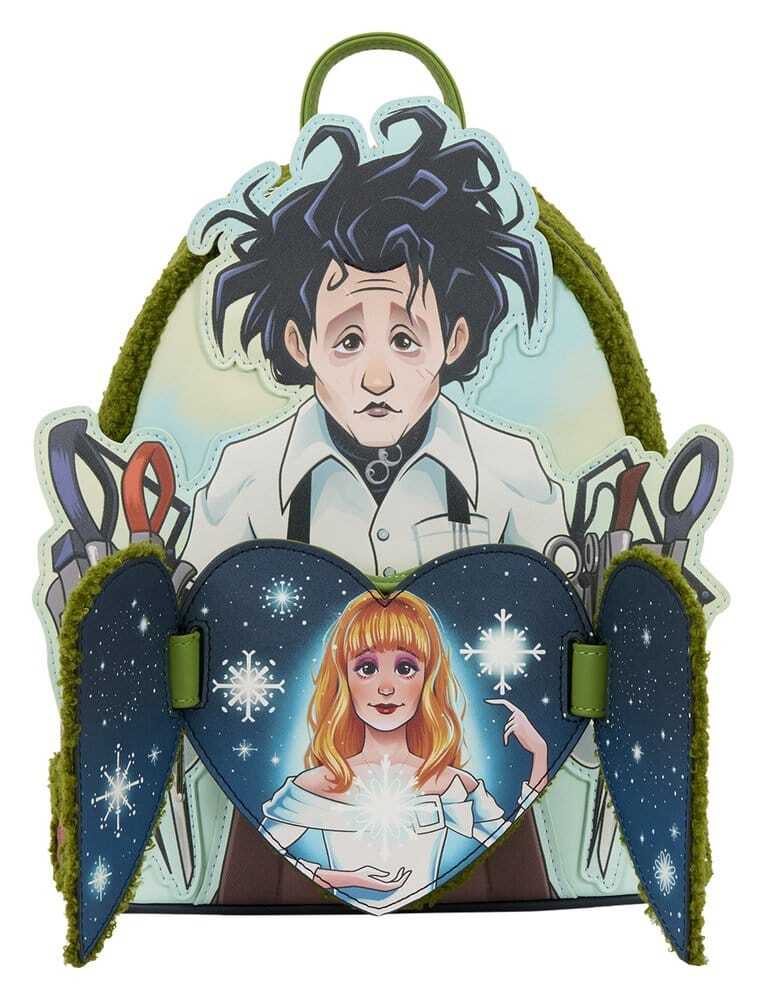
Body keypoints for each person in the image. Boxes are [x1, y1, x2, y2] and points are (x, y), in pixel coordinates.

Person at [182, 104, 568, 582]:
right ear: (300, 344)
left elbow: (556, 609)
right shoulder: (241, 478)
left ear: (454, 340)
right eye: (348, 341)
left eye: (405, 339)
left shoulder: (514, 471)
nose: (377, 379)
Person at [258, 591, 548, 913]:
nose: (386, 687)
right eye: (367, 667)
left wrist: (540, 753)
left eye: (405, 667)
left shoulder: (452, 784)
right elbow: (262, 855)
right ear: (344, 679)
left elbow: (510, 850)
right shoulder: (315, 785)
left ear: (427, 679)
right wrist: (347, 878)